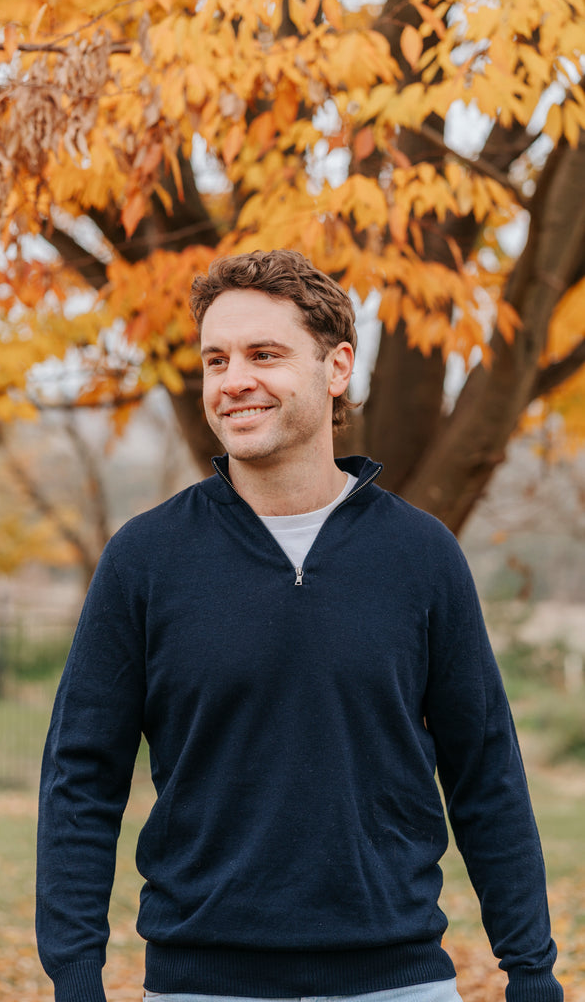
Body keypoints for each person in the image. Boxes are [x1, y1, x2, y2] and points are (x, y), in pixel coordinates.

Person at [36, 249, 563, 1002]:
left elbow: (485, 774)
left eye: (263, 354)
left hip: (397, 982)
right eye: (215, 359)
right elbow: (79, 778)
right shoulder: (145, 559)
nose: (233, 380)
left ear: (336, 367)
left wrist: (530, 970)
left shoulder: (420, 556)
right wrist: (75, 974)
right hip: (198, 985)